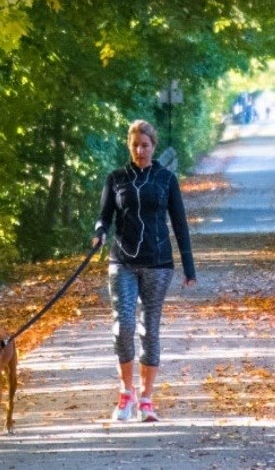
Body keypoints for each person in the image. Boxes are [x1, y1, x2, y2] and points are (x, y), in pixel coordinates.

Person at [92, 120, 196, 423]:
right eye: (135, 145)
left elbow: (180, 224)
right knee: (122, 326)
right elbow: (104, 217)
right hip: (122, 261)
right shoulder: (116, 179)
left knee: (149, 329)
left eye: (145, 145)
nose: (140, 150)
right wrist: (99, 233)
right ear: (129, 145)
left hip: (158, 263)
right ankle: (126, 394)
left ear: (154, 147)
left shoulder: (166, 179)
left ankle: (147, 400)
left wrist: (189, 267)